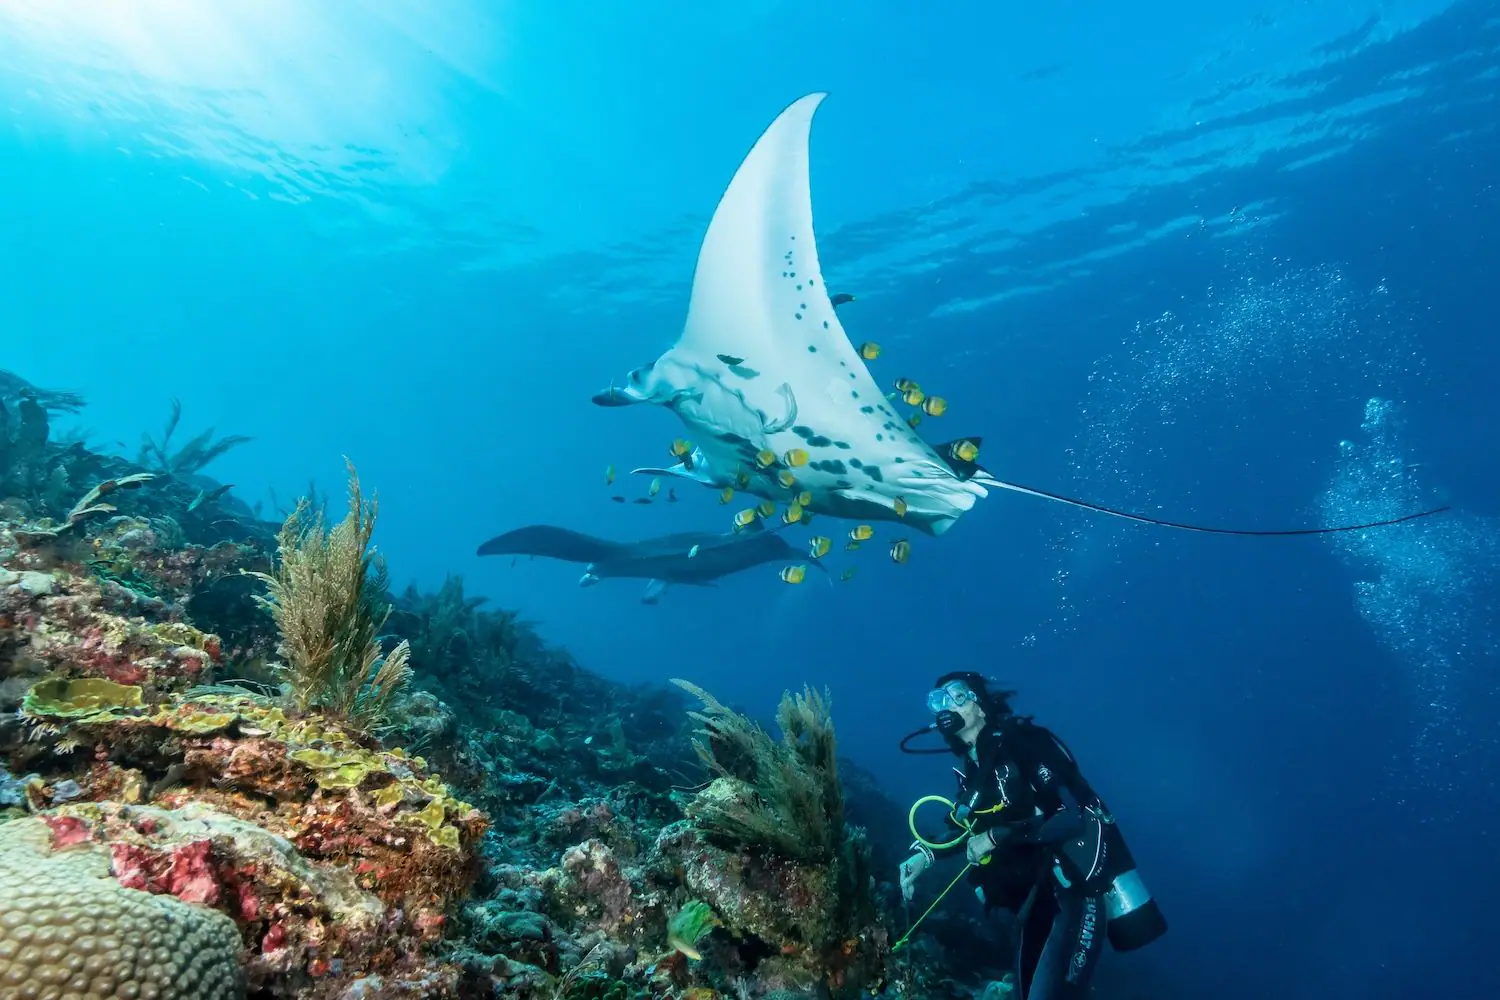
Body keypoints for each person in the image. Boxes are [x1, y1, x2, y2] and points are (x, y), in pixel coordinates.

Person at [897, 672, 1166, 1000]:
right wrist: (925, 856)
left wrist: (996, 836)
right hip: (1037, 897)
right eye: (937, 700)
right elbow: (969, 829)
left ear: (981, 707)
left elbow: (1071, 815)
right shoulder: (976, 770)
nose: (946, 705)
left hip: (1075, 889)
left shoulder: (1024, 743)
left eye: (957, 696)